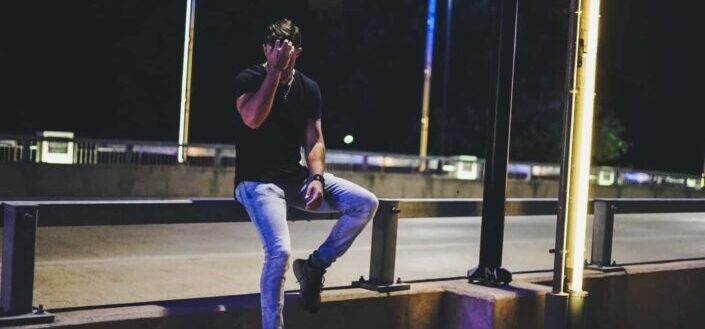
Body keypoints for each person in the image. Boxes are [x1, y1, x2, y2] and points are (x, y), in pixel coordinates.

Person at [232, 18, 379, 329]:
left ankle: (315, 266)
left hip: (296, 180)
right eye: (272, 49)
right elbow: (253, 118)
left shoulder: (309, 88)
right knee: (280, 252)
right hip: (257, 182)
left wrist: (316, 178)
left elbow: (315, 140)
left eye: (285, 51)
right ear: (265, 50)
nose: (278, 55)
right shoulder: (250, 77)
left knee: (365, 202)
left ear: (297, 52)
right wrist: (273, 72)